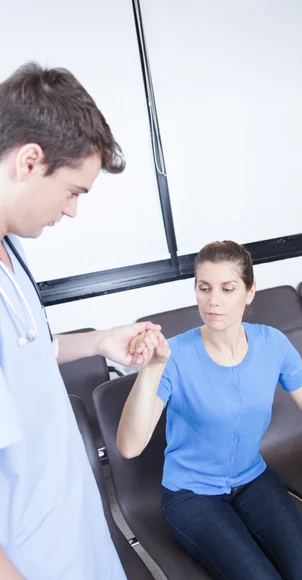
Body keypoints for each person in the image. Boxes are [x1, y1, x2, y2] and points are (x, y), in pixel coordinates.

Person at [117, 240, 302, 580]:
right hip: (191, 495)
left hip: (253, 478)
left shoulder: (272, 343)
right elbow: (129, 446)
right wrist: (150, 369)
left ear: (249, 292)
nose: (213, 300)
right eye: (203, 288)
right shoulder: (173, 355)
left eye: (227, 288)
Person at [0, 63, 163, 580]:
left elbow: (24, 357)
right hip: (27, 556)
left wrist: (100, 342)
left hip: (71, 524)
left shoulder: (11, 251)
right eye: (73, 190)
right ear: (30, 161)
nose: (71, 211)